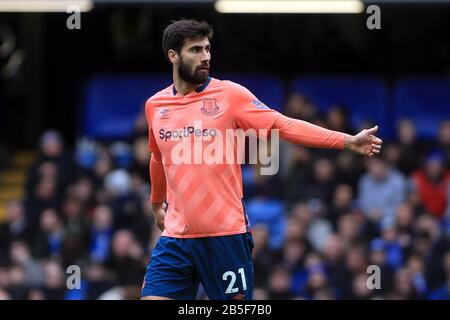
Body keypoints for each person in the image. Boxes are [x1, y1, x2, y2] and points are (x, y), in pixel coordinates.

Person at [141, 19, 382, 300]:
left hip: (226, 236)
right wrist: (157, 202)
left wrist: (346, 140)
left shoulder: (230, 95)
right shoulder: (155, 106)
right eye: (195, 50)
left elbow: (284, 126)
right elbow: (157, 157)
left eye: (207, 49)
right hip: (175, 239)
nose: (205, 56)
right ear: (173, 55)